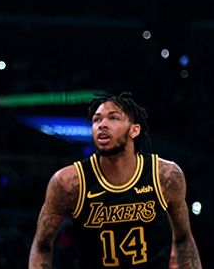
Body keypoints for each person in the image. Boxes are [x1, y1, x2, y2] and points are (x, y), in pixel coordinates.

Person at [29, 92, 201, 268]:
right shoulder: (68, 182)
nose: (102, 125)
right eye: (97, 120)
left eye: (113, 118)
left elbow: (183, 240)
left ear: (134, 130)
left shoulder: (165, 176)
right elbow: (42, 244)